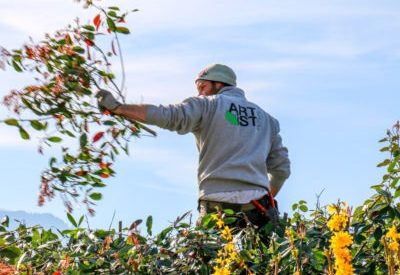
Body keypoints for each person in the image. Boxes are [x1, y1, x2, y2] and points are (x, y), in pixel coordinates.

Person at [96, 64, 290, 228]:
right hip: (258, 208)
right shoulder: (267, 120)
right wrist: (263, 199)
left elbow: (167, 115)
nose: (199, 93)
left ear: (218, 84)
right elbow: (282, 170)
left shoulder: (207, 105)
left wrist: (119, 108)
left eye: (202, 86)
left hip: (217, 206)